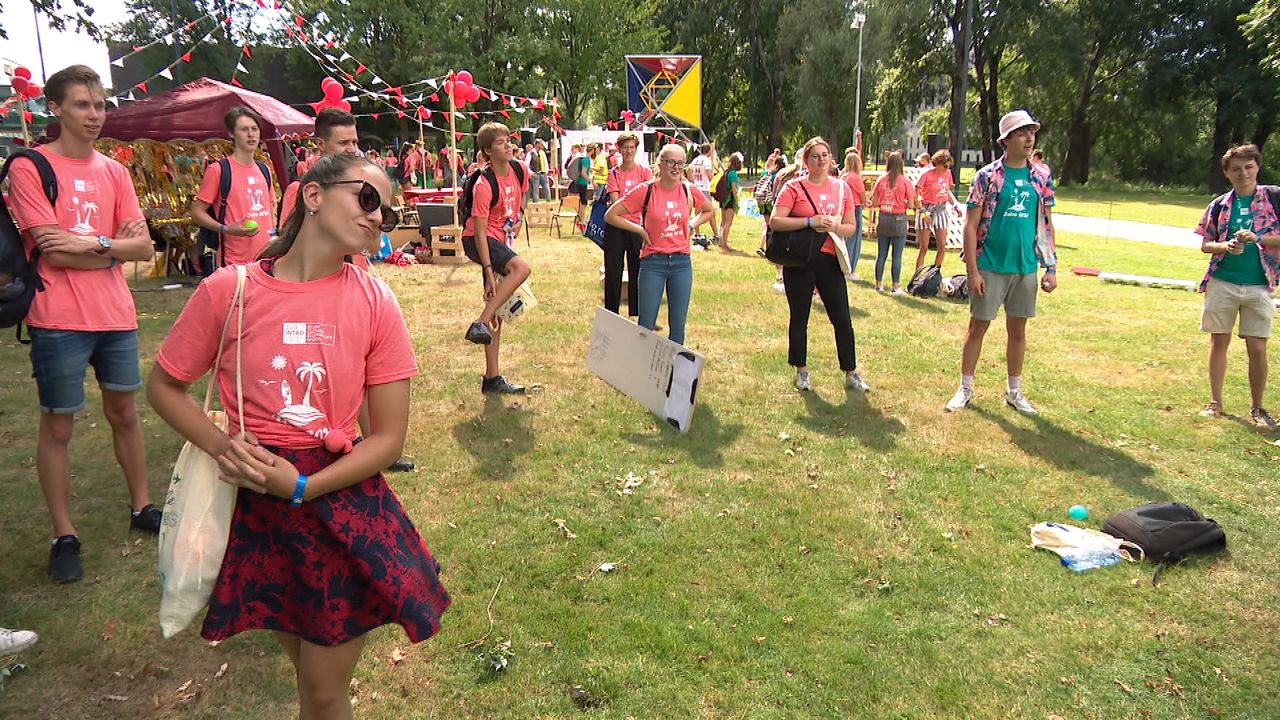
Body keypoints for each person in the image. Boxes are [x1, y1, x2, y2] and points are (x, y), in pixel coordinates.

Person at [147, 153, 450, 719]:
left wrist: (304, 486)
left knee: (322, 688)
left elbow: (388, 441)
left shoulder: (374, 300)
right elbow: (164, 386)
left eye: (384, 210)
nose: (377, 217)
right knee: (308, 675)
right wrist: (221, 445)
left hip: (337, 499)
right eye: (366, 198)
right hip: (256, 509)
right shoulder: (228, 290)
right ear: (312, 196)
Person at [6, 64, 160, 584]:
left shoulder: (114, 172)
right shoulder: (31, 167)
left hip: (115, 314)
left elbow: (143, 247)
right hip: (57, 317)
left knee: (125, 412)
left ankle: (142, 508)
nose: (94, 115)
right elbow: (49, 248)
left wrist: (93, 248)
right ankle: (63, 534)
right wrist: (110, 248)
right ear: (56, 108)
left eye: (99, 105)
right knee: (58, 426)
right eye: (82, 105)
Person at [945, 109, 1057, 415]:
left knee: (1018, 331)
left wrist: (1051, 267)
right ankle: (965, 388)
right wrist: (972, 271)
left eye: (1032, 132)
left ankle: (1014, 391)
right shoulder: (987, 177)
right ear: (1005, 140)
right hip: (990, 266)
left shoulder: (1041, 177)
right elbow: (970, 225)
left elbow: (1045, 224)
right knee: (977, 328)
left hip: (1024, 267)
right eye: (1022, 133)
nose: (1029, 138)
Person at [768, 138, 870, 393]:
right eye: (815, 156)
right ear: (806, 161)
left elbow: (850, 227)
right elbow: (776, 221)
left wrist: (833, 226)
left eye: (825, 155)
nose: (821, 160)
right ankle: (801, 370)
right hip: (801, 260)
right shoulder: (794, 187)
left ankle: (851, 371)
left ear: (831, 158)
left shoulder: (841, 188)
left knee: (842, 318)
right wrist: (809, 221)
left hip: (830, 259)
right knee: (800, 317)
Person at [1193, 144, 1280, 427]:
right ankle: (1215, 402)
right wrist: (1225, 245)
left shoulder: (1274, 198)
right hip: (1223, 282)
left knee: (1257, 347)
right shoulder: (1219, 205)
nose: (1243, 173)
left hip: (1259, 284)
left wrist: (1259, 238)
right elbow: (1205, 244)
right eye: (1236, 169)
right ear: (1227, 173)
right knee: (1219, 342)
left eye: (1248, 167)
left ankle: (1258, 408)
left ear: (1257, 167)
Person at [604, 144, 715, 346]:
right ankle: (641, 370)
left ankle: (673, 372)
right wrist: (638, 229)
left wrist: (691, 225)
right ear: (660, 164)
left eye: (681, 163)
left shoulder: (687, 189)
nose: (676, 168)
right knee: (645, 326)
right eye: (671, 162)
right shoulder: (645, 190)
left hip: (681, 263)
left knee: (678, 326)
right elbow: (611, 215)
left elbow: (709, 210)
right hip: (652, 263)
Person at [461, 122, 533, 394]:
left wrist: (519, 218)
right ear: (488, 151)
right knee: (521, 269)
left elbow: (522, 197)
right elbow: (479, 234)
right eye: (501, 142)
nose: (508, 145)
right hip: (477, 240)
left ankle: (492, 379)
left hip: (500, 239)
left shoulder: (518, 169)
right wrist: (489, 272)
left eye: (509, 140)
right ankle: (480, 322)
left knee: (499, 307)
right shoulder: (483, 184)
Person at [190, 107, 277, 268]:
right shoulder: (218, 170)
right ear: (231, 133)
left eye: (254, 129)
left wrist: (274, 239)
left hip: (266, 260)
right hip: (235, 263)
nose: (251, 134)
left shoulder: (264, 169)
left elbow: (270, 209)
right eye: (244, 129)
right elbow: (196, 212)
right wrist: (226, 229)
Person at [601, 132, 653, 317]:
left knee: (638, 270)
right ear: (620, 149)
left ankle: (637, 311)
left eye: (632, 147)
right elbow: (616, 202)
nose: (629, 151)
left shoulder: (644, 172)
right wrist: (630, 207)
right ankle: (611, 313)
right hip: (616, 226)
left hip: (637, 227)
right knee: (613, 270)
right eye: (625, 147)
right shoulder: (614, 173)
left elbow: (648, 199)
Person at [280, 109, 358, 227]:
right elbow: (287, 236)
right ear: (320, 144)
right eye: (343, 143)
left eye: (354, 142)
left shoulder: (359, 184)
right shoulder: (299, 189)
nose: (352, 149)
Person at [870, 151, 918, 294]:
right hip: (898, 219)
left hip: (883, 218)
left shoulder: (881, 180)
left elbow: (874, 201)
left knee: (881, 255)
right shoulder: (905, 181)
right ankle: (895, 286)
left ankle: (878, 285)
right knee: (896, 256)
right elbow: (910, 204)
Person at [914, 148, 956, 273]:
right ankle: (918, 275)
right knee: (924, 247)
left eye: (948, 166)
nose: (946, 169)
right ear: (938, 163)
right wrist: (924, 213)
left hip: (941, 209)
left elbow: (946, 191)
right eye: (944, 166)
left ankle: (934, 274)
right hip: (926, 208)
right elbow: (915, 196)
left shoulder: (947, 174)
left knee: (942, 246)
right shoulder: (926, 175)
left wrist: (955, 205)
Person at [840, 151, 866, 282]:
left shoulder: (843, 176)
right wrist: (866, 201)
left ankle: (844, 266)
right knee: (854, 240)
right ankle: (850, 269)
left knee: (845, 240)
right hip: (855, 207)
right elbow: (862, 195)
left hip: (844, 208)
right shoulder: (856, 177)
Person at [686, 142, 719, 239]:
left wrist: (692, 181)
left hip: (697, 187)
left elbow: (688, 169)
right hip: (705, 188)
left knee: (697, 211)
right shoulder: (707, 161)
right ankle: (716, 234)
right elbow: (709, 175)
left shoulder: (696, 160)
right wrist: (713, 183)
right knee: (710, 211)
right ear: (709, 151)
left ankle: (697, 233)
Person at [717, 152, 743, 250]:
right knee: (728, 222)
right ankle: (724, 244)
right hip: (729, 200)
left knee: (723, 222)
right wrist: (737, 200)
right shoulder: (733, 174)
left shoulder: (726, 171)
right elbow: (734, 189)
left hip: (723, 199)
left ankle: (720, 241)